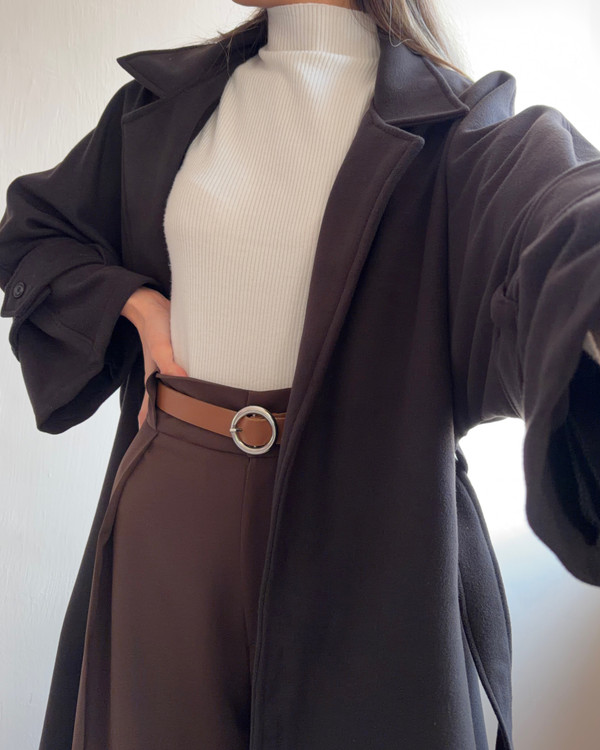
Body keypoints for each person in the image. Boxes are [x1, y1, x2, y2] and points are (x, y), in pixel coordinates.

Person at [2, 1, 600, 749]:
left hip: (366, 526)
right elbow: (34, 234)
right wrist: (135, 303)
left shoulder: (461, 129)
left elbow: (562, 209)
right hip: (171, 514)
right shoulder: (162, 105)